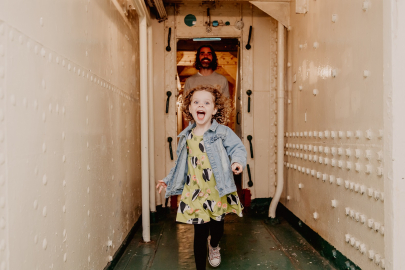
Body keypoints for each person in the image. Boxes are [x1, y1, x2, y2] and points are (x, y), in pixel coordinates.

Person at [156, 85, 246, 270]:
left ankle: (214, 245)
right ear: (189, 108)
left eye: (206, 102)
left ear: (214, 109)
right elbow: (180, 164)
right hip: (195, 192)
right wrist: (169, 179)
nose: (201, 105)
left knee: (217, 228)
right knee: (199, 233)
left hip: (217, 190)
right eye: (196, 102)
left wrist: (237, 162)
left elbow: (237, 148)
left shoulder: (222, 132)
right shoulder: (186, 136)